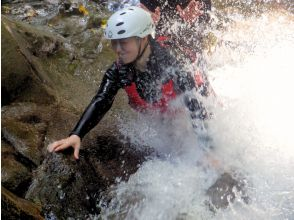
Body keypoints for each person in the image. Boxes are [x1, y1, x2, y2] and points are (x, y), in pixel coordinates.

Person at [48, 6, 210, 160]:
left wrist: (208, 151)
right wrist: (76, 135)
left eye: (124, 42)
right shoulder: (119, 70)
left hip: (190, 108)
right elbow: (102, 99)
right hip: (162, 112)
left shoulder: (173, 66)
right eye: (114, 42)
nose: (117, 49)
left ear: (144, 39)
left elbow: (196, 105)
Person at [140, 0, 216, 97]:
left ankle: (205, 92)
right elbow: (140, 7)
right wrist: (143, 15)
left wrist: (197, 8)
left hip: (190, 27)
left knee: (197, 78)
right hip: (164, 27)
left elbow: (205, 11)